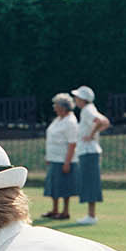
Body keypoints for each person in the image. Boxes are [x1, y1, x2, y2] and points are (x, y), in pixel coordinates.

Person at [70, 84, 109, 225]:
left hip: (89, 152)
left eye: (77, 97)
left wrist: (91, 135)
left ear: (83, 99)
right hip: (88, 152)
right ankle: (90, 215)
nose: (75, 100)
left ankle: (91, 216)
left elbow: (102, 122)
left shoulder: (87, 110)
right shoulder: (89, 109)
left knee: (90, 183)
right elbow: (104, 121)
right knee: (89, 182)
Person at [42, 93, 77, 221]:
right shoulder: (58, 120)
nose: (54, 107)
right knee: (54, 186)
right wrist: (48, 156)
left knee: (64, 186)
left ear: (63, 107)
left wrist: (67, 162)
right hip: (54, 158)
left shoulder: (70, 122)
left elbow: (72, 143)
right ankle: (55, 209)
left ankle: (65, 211)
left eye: (56, 105)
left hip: (63, 159)